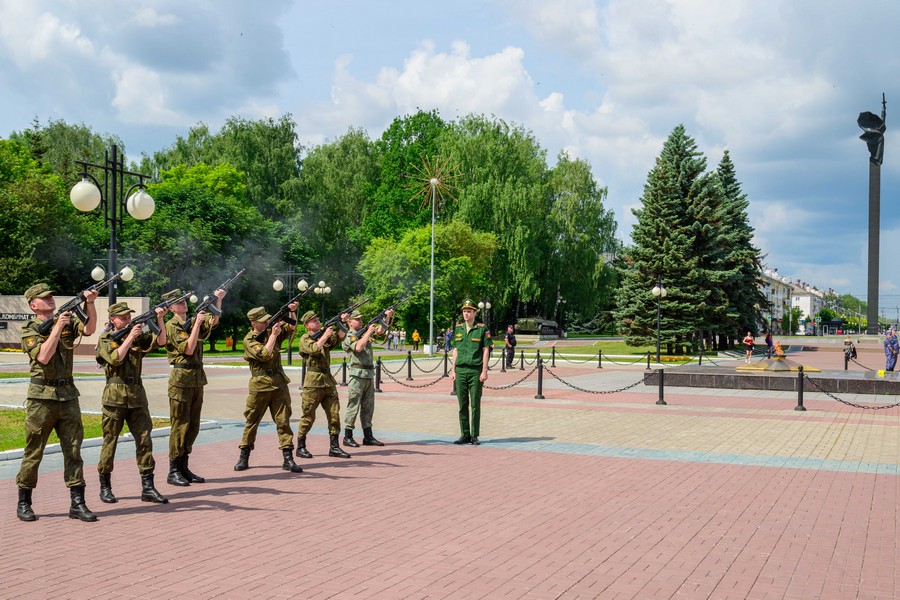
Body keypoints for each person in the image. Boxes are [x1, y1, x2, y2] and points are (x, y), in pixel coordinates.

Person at [16, 283, 99, 522]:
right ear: (33, 305)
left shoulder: (67, 321)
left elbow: (90, 328)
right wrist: (57, 327)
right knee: (34, 451)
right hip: (41, 398)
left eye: (51, 296)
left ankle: (77, 503)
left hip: (68, 395)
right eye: (45, 297)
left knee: (73, 450)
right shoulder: (30, 328)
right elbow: (43, 356)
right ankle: (24, 502)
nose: (50, 299)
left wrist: (90, 303)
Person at [95, 302, 169, 505]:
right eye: (123, 317)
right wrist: (129, 337)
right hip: (114, 397)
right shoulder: (106, 339)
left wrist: (160, 319)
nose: (127, 320)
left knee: (145, 440)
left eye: (129, 316)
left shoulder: (137, 336)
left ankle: (148, 487)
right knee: (110, 441)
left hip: (137, 396)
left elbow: (161, 341)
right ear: (113, 319)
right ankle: (105, 486)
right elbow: (115, 359)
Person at [163, 287, 226, 486]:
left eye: (184, 301)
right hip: (181, 380)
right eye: (179, 302)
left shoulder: (191, 321)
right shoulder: (171, 326)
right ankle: (173, 470)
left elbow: (213, 321)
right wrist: (197, 324)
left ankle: (184, 467)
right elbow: (188, 349)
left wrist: (218, 300)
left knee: (193, 426)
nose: (183, 304)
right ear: (171, 307)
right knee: (180, 425)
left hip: (197, 379)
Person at [233, 305, 303, 473]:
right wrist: (273, 336)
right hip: (260, 385)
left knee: (283, 421)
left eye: (267, 320)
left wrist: (292, 311)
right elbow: (264, 354)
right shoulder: (249, 339)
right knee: (252, 421)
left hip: (279, 383)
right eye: (262, 321)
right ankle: (244, 456)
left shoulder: (272, 332)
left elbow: (291, 326)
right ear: (253, 323)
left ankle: (288, 458)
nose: (266, 323)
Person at [295, 310, 351, 459]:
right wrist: (325, 335)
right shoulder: (305, 339)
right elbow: (314, 349)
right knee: (308, 416)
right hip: (313, 383)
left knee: (334, 415)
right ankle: (300, 447)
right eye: (313, 321)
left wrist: (342, 322)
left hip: (328, 381)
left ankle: (334, 447)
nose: (317, 322)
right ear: (307, 325)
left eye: (318, 319)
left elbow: (340, 337)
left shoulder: (323, 337)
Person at [342, 308, 393, 448]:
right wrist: (368, 332)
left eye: (361, 319)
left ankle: (368, 436)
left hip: (369, 374)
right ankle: (348, 436)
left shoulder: (364, 333)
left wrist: (387, 317)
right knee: (353, 405)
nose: (360, 321)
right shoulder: (349, 336)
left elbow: (381, 331)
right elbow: (358, 347)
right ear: (350, 322)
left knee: (368, 407)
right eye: (357, 319)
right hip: (357, 375)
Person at [450, 299, 492, 445]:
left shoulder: (482, 329)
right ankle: (464, 434)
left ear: (475, 312)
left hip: (475, 370)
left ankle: (474, 435)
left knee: (475, 404)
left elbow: (486, 350)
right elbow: (455, 350)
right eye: (464, 311)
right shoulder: (458, 329)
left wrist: (484, 370)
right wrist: (453, 370)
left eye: (469, 311)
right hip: (461, 370)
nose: (466, 314)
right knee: (462, 404)